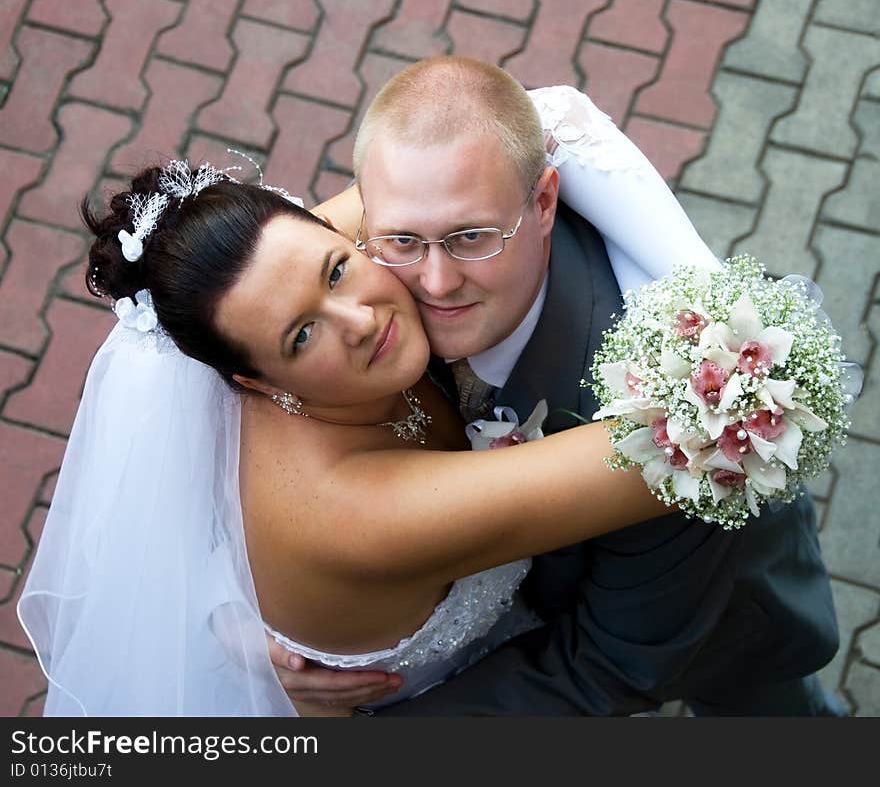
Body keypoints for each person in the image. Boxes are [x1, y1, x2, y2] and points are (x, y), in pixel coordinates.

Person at [16, 145, 681, 716]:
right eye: (304, 335)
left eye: (337, 269)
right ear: (257, 383)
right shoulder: (355, 511)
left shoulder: (275, 278)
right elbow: (686, 440)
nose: (359, 321)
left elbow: (523, 124)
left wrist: (227, 616)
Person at [272, 57, 844, 716]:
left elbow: (610, 666)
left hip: (716, 622)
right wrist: (274, 624)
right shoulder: (376, 308)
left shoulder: (677, 416)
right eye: (402, 239)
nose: (433, 284)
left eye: (470, 238)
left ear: (544, 202)